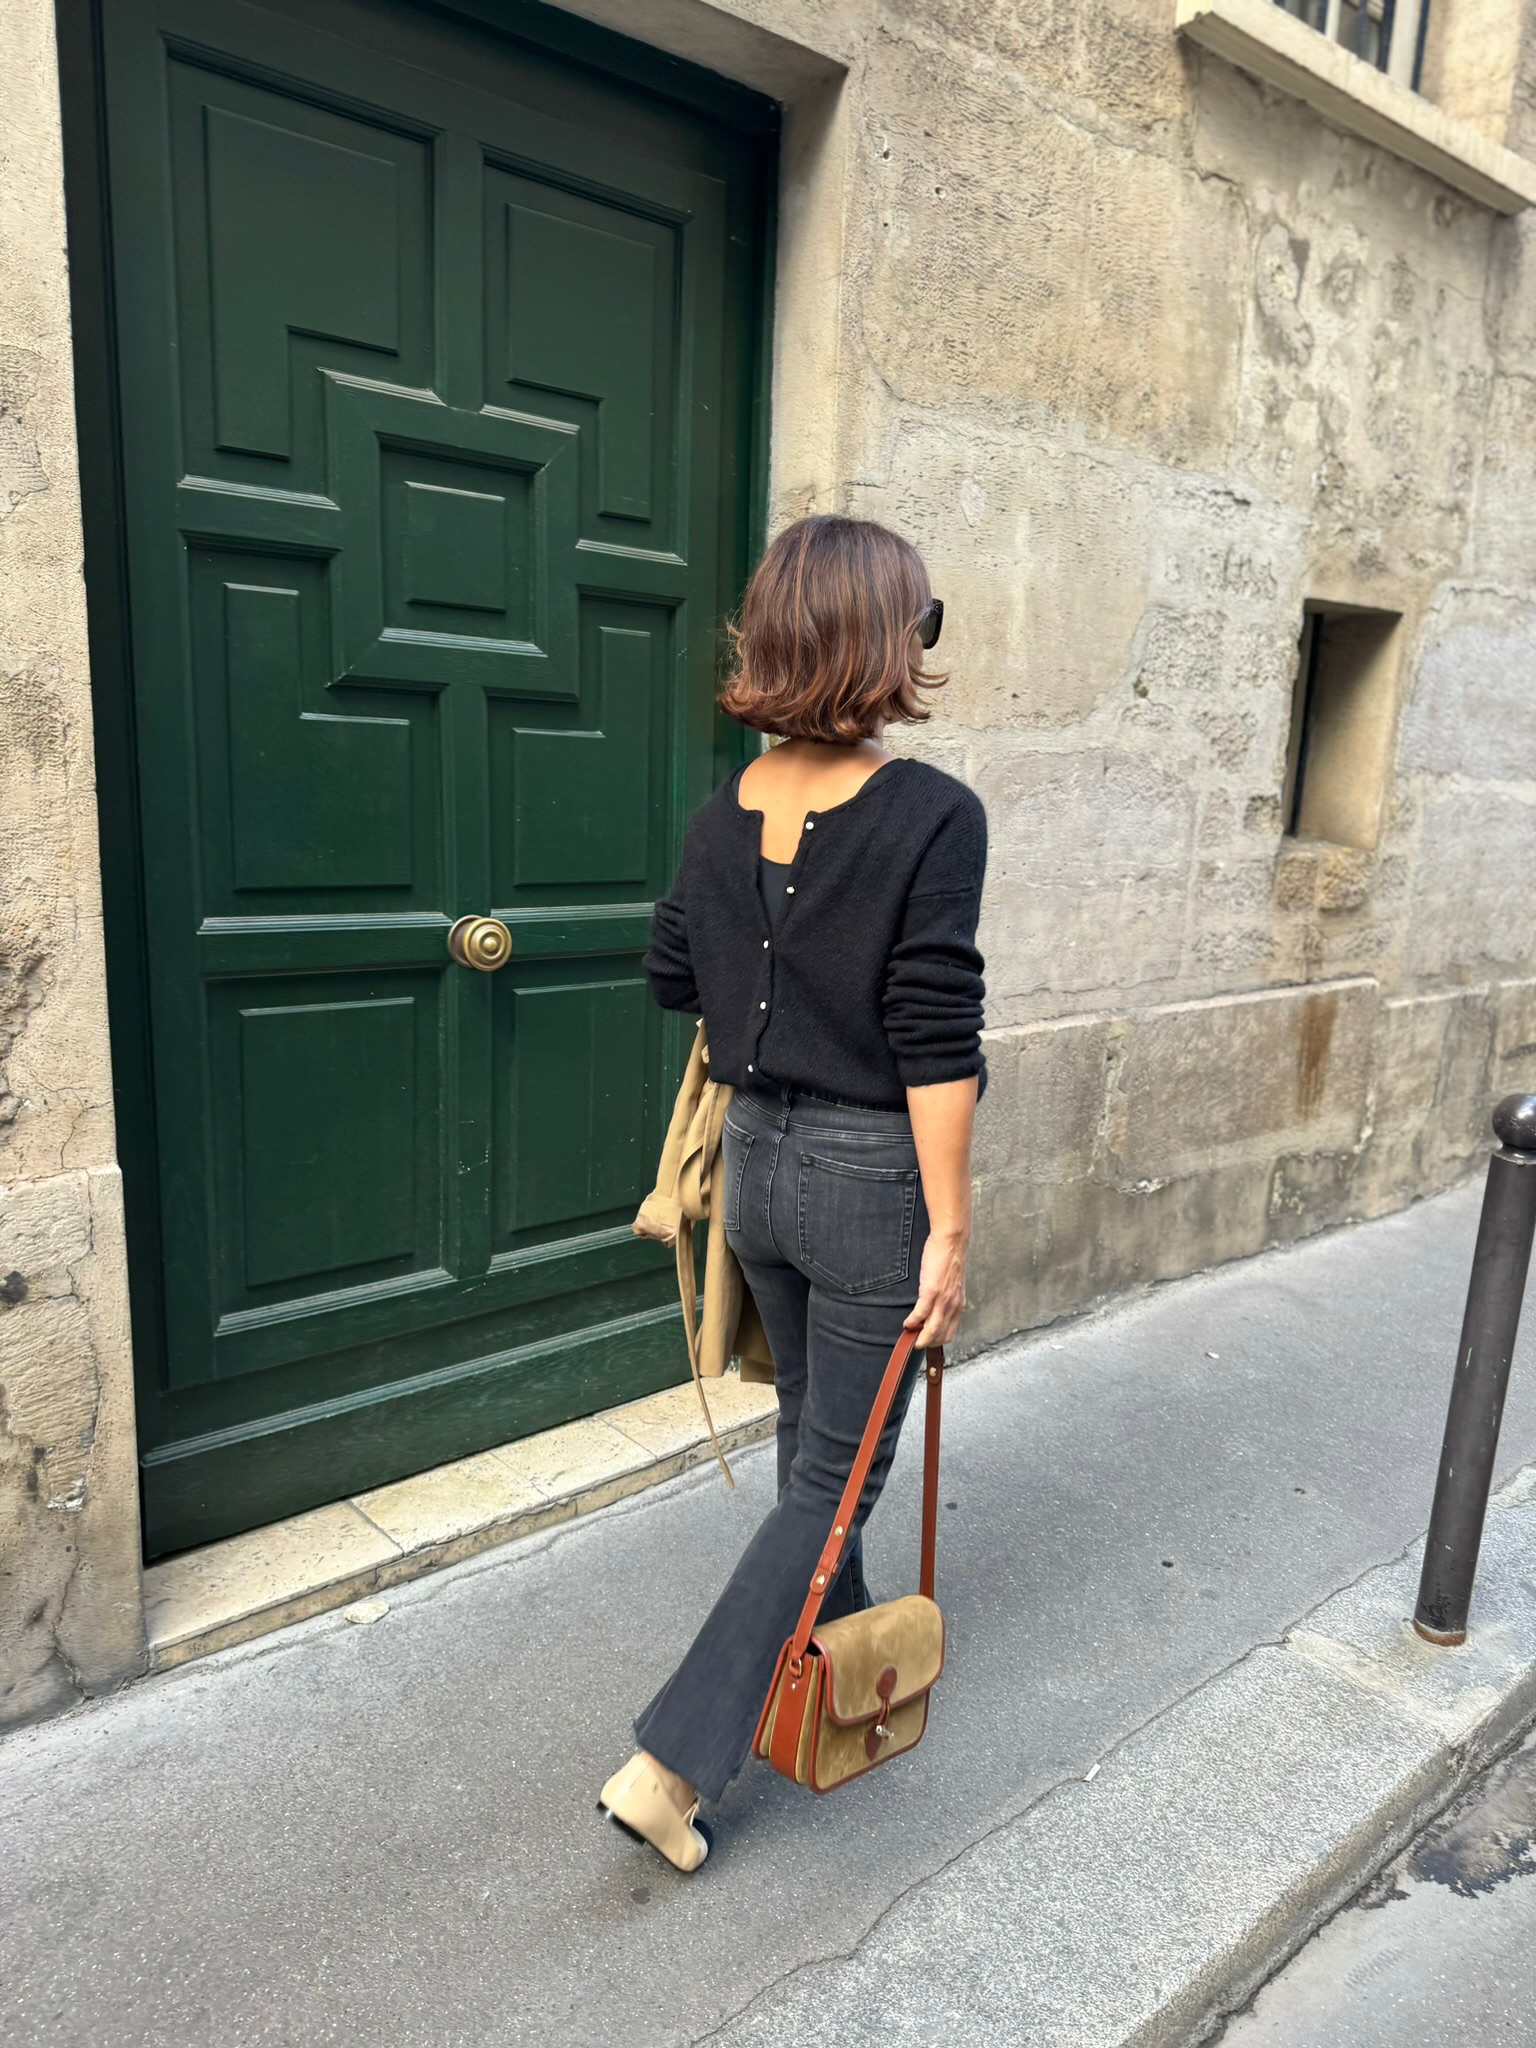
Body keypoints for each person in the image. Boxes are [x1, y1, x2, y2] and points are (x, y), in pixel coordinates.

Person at [597, 513, 987, 1871]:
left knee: (812, 1438)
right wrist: (952, 1222)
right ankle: (675, 1761)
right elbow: (936, 1032)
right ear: (887, 642)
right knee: (838, 1467)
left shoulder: (728, 809)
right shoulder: (934, 815)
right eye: (922, 624)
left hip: (756, 1174)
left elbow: (671, 979)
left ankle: (832, 1650)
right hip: (874, 1181)